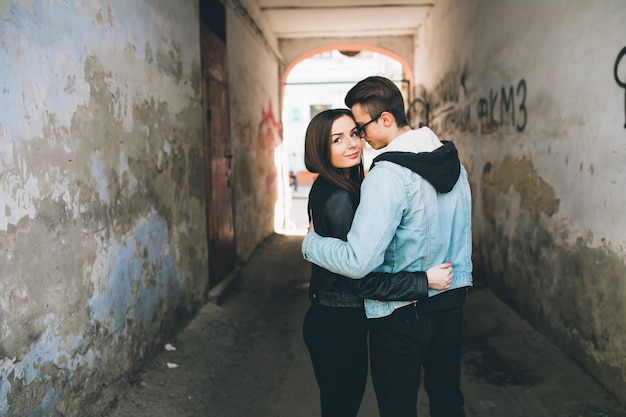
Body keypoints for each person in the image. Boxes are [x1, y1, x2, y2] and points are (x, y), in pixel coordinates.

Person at [302, 77, 473, 417]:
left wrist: (310, 244)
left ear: (385, 119)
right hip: (451, 302)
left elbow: (358, 263)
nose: (358, 139)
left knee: (398, 406)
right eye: (343, 137)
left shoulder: (386, 175)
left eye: (358, 129)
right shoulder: (455, 164)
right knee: (448, 401)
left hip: (402, 314)